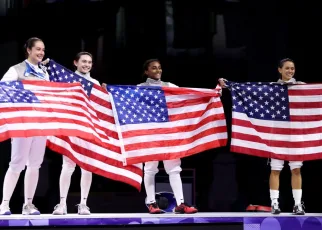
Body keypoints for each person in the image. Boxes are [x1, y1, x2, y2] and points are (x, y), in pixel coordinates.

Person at [218, 58, 305, 215]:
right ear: (279, 69)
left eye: (292, 68)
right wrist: (229, 85)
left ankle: (298, 204)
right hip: (278, 135)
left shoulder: (302, 87)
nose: (290, 71)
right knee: (275, 170)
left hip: (295, 134)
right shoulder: (271, 88)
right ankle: (274, 203)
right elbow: (248, 90)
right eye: (287, 68)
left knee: (296, 169)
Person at [138, 59, 198, 214]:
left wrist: (212, 93)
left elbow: (189, 95)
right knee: (150, 168)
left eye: (159, 68)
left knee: (174, 168)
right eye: (153, 68)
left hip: (168, 133)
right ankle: (151, 203)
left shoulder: (170, 86)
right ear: (146, 71)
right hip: (150, 133)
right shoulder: (139, 88)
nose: (157, 70)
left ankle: (180, 204)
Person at [0, 37, 49, 215]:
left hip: (40, 124)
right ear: (28, 50)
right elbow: (3, 89)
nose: (41, 53)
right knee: (17, 163)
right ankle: (4, 204)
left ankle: (28, 205)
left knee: (35, 164)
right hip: (22, 124)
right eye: (37, 49)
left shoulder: (45, 73)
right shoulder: (16, 70)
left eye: (43, 50)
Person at [52, 52, 99, 215]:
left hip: (88, 129)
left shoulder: (95, 83)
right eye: (84, 61)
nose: (87, 64)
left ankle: (83, 204)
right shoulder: (68, 80)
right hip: (71, 127)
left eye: (89, 62)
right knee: (68, 166)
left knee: (87, 168)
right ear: (75, 62)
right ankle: (62, 203)